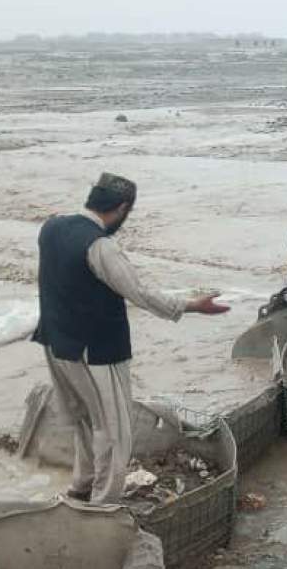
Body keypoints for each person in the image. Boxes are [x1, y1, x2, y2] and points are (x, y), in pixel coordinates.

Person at [32, 172, 230, 505]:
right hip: (93, 352)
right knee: (112, 429)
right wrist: (192, 306)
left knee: (83, 420)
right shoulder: (100, 246)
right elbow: (139, 292)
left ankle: (81, 486)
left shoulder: (51, 228)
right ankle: (103, 507)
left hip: (56, 344)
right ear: (123, 207)